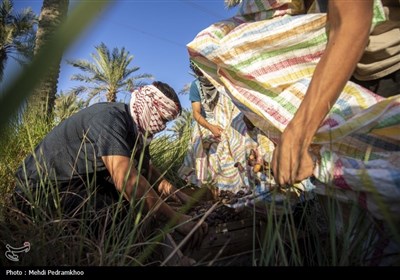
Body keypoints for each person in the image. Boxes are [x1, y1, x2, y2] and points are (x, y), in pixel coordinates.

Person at [14, 81, 207, 246]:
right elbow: (128, 181)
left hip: (80, 181)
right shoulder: (111, 119)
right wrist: (176, 219)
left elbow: (146, 168)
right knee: (122, 219)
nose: (162, 126)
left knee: (141, 205)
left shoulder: (138, 130)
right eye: (163, 118)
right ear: (149, 106)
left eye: (167, 122)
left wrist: (177, 194)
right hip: (40, 190)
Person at [179, 60, 262, 195]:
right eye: (198, 72)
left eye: (203, 70)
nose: (202, 74)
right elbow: (196, 113)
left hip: (229, 117)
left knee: (238, 140)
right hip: (208, 122)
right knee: (200, 144)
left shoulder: (222, 79)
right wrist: (211, 127)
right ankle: (205, 187)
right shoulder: (196, 86)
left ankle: (243, 184)